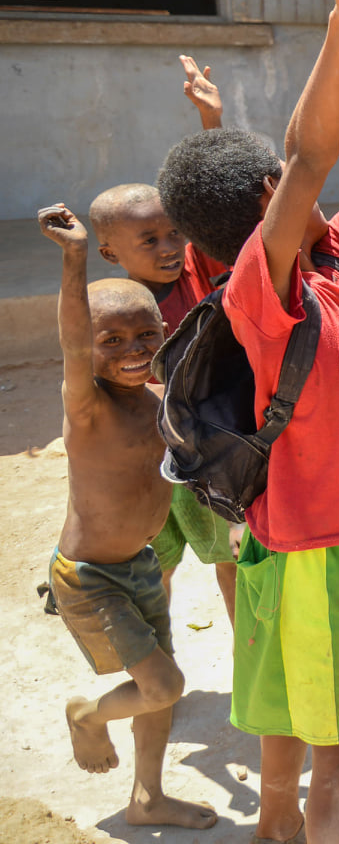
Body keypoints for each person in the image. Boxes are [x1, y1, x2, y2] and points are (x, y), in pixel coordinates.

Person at [155, 0, 339, 844]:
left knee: (292, 717)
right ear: (272, 199)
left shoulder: (333, 266)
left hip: (325, 537)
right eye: (287, 185)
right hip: (308, 545)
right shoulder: (261, 296)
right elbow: (315, 156)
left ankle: (277, 827)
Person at [37, 204, 216, 834]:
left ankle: (147, 797)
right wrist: (74, 255)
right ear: (87, 348)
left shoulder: (160, 401)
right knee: (164, 684)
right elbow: (69, 336)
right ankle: (87, 715)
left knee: (159, 697)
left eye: (145, 336)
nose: (133, 351)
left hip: (140, 567)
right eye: (111, 341)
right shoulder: (86, 409)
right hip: (89, 577)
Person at [85, 181, 235, 622]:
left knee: (228, 560)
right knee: (155, 568)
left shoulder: (196, 269)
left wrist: (211, 122)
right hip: (147, 467)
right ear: (111, 255)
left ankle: (248, 667)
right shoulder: (115, 314)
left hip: (204, 458)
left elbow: (214, 202)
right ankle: (158, 672)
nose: (170, 247)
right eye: (149, 240)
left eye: (174, 233)